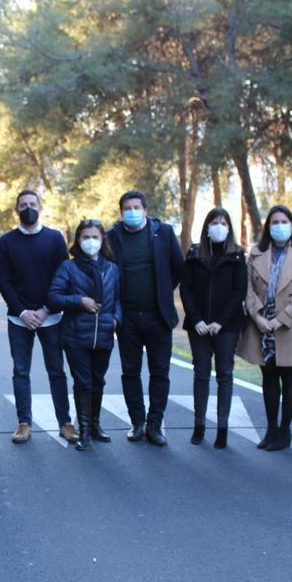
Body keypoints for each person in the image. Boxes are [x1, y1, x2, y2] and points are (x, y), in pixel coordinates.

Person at [0, 190, 76, 444]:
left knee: (57, 371)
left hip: (50, 316)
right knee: (21, 371)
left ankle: (65, 422)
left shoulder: (54, 239)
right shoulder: (7, 241)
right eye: (23, 205)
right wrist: (22, 311)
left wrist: (45, 309)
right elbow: (3, 281)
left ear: (40, 207)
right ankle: (24, 423)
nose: (28, 207)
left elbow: (63, 276)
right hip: (19, 318)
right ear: (16, 209)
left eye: (32, 203)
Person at [106, 190, 184, 446]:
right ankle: (137, 422)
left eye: (136, 207)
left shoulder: (163, 233)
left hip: (158, 317)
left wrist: (162, 291)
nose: (132, 211)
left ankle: (154, 424)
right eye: (127, 208)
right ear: (121, 212)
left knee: (159, 372)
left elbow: (177, 268)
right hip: (127, 318)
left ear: (146, 210)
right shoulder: (112, 237)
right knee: (130, 372)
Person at [237, 206, 292, 451]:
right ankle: (271, 428)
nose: (279, 226)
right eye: (274, 222)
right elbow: (247, 286)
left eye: (284, 221)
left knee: (290, 375)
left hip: (289, 324)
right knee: (268, 376)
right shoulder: (257, 253)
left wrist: (280, 320)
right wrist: (258, 316)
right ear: (268, 227)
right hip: (261, 324)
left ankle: (285, 430)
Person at [48, 220, 121, 451]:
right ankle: (85, 430)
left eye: (95, 237)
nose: (91, 241)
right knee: (83, 382)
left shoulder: (112, 268)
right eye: (86, 237)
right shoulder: (68, 268)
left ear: (102, 240)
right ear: (78, 240)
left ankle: (96, 425)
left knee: (98, 381)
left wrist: (116, 318)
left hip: (104, 335)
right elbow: (53, 297)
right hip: (76, 336)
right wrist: (79, 301)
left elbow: (118, 298)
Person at [179, 207, 247, 449]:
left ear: (229, 227)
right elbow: (185, 288)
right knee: (200, 374)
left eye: (223, 222)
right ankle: (199, 426)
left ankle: (222, 428)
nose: (219, 226)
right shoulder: (195, 254)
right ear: (206, 226)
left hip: (226, 327)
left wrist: (221, 322)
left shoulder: (237, 256)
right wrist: (196, 319)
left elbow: (240, 290)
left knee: (225, 375)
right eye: (214, 222)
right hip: (198, 326)